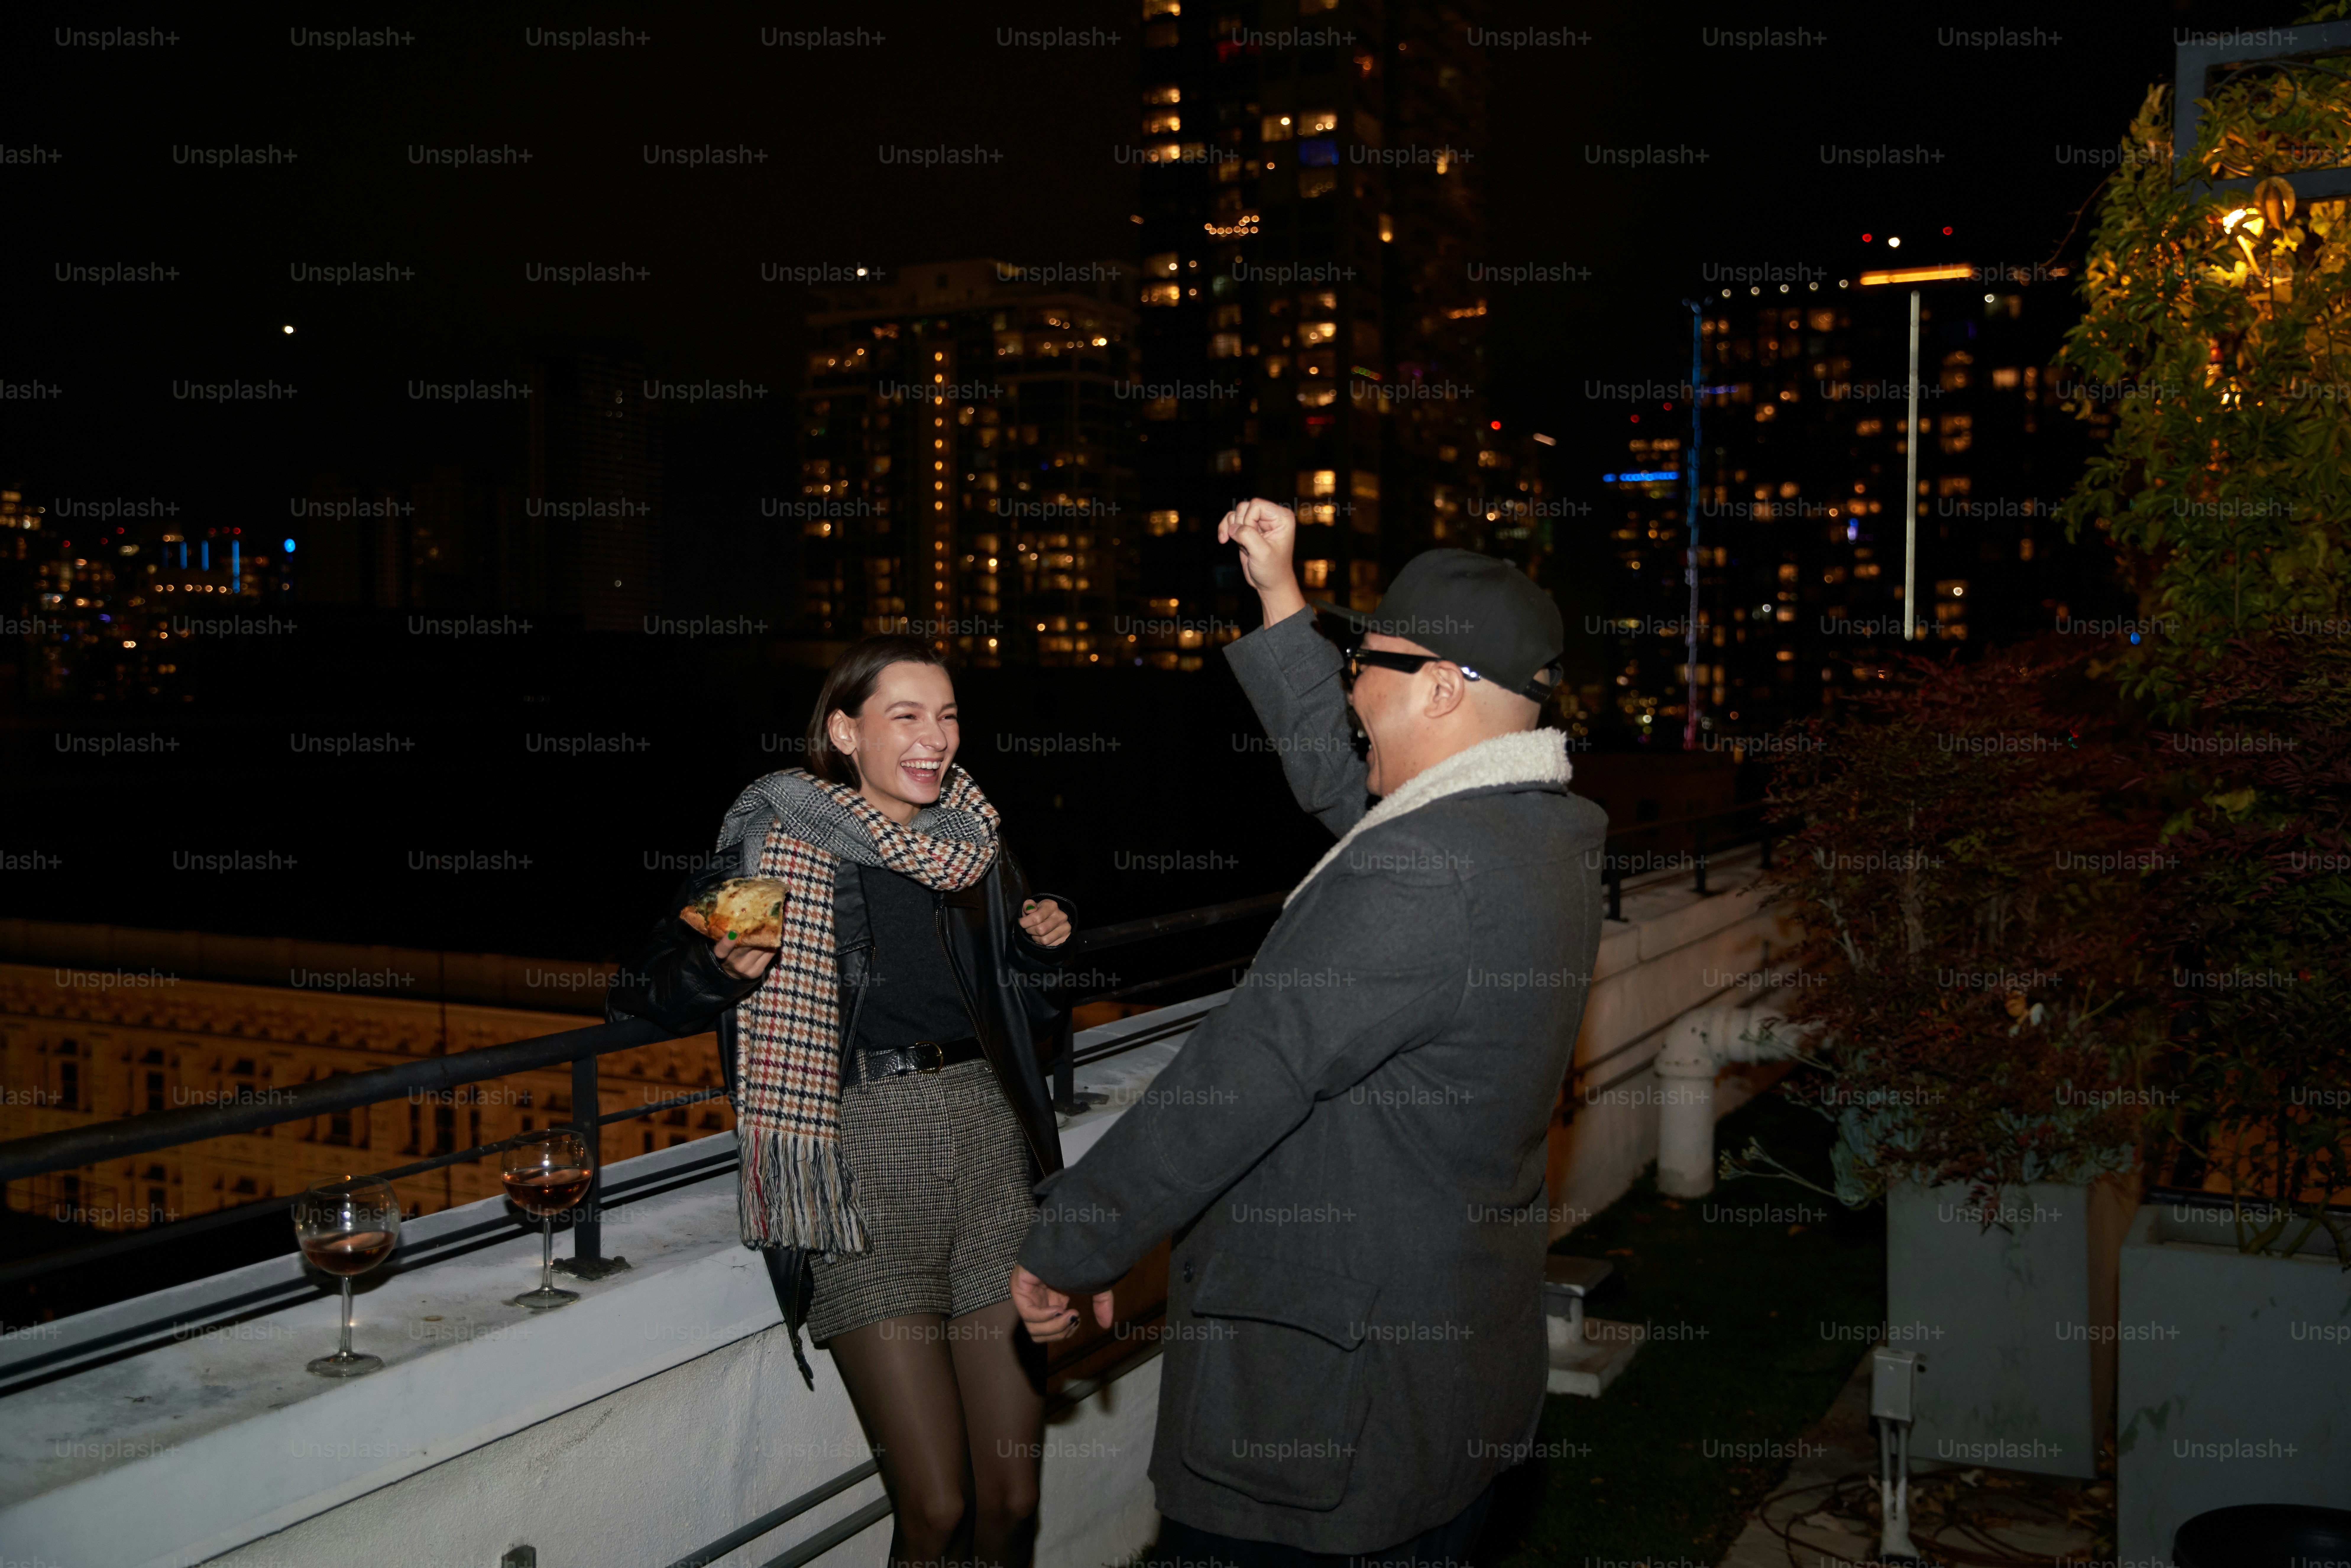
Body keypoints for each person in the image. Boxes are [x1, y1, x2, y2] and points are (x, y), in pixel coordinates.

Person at [1011, 499, 1607, 1564]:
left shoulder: (1422, 876)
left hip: (1331, 1415)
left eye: (1363, 664)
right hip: (1453, 1380)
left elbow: (1245, 1075)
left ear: (1435, 686)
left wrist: (1075, 1240)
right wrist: (1282, 597)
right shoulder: (1536, 835)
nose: (1348, 686)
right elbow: (1354, 787)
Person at [608, 633, 1076, 1568]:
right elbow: (641, 991)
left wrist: (1041, 959)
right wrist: (716, 968)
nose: (935, 738)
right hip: (857, 1169)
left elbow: (1031, 1024)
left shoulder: (976, 846)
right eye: (905, 716)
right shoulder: (776, 847)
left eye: (947, 716)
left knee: (1014, 1498)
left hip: (989, 1149)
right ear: (845, 731)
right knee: (938, 1508)